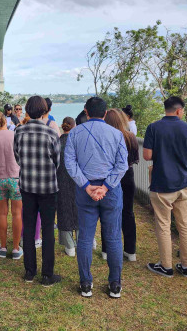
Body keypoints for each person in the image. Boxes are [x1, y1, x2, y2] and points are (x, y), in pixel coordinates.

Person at [64, 97, 129, 299]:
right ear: (106, 112)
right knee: (113, 238)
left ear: (86, 111)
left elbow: (70, 162)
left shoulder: (74, 133)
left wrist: (86, 185)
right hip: (111, 191)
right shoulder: (117, 134)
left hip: (86, 190)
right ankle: (115, 284)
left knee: (85, 237)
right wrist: (106, 186)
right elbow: (122, 165)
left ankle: (86, 283)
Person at [143, 96, 187, 278]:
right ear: (178, 111)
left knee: (163, 225)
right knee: (185, 225)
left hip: (162, 184)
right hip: (184, 184)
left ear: (167, 109)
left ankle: (166, 266)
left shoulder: (153, 127)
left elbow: (147, 155)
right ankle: (186, 266)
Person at [14, 96, 61, 286]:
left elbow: (18, 157)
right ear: (44, 111)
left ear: (26, 111)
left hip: (27, 186)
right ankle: (47, 274)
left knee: (29, 226)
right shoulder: (50, 133)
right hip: (48, 187)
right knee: (48, 229)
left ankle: (29, 271)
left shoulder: (19, 131)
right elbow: (57, 161)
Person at [102, 109, 139, 262]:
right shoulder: (130, 137)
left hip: (109, 177)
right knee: (128, 213)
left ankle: (106, 249)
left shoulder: (105, 137)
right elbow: (134, 158)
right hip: (127, 176)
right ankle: (130, 250)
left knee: (108, 213)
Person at [0, 111, 23, 260]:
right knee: (17, 214)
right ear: (6, 121)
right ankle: (15, 248)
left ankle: (3, 247)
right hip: (15, 177)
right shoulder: (14, 135)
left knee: (2, 213)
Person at [56, 117, 79, 257]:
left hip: (60, 180)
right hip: (77, 180)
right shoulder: (77, 143)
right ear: (74, 126)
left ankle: (69, 246)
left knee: (64, 210)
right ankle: (82, 240)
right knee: (79, 210)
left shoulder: (57, 142)